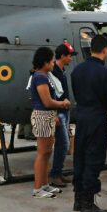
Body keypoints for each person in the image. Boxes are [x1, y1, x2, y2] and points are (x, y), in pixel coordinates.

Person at [71, 35, 107, 212]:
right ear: (106, 50)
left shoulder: (77, 70)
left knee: (80, 159)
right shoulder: (106, 73)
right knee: (94, 160)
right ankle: (88, 204)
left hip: (81, 119)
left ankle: (78, 198)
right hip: (97, 120)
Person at [28, 46, 71, 198]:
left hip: (47, 116)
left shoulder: (43, 76)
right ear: (45, 62)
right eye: (51, 61)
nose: (53, 63)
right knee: (42, 152)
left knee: (47, 152)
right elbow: (47, 102)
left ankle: (44, 184)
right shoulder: (40, 77)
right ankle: (37, 188)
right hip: (43, 116)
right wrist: (63, 104)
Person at [49, 42, 77, 188]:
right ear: (62, 56)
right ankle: (54, 175)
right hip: (58, 112)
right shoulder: (53, 71)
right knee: (64, 144)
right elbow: (51, 94)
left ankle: (58, 172)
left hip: (64, 110)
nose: (71, 58)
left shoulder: (61, 70)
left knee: (62, 143)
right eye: (69, 55)